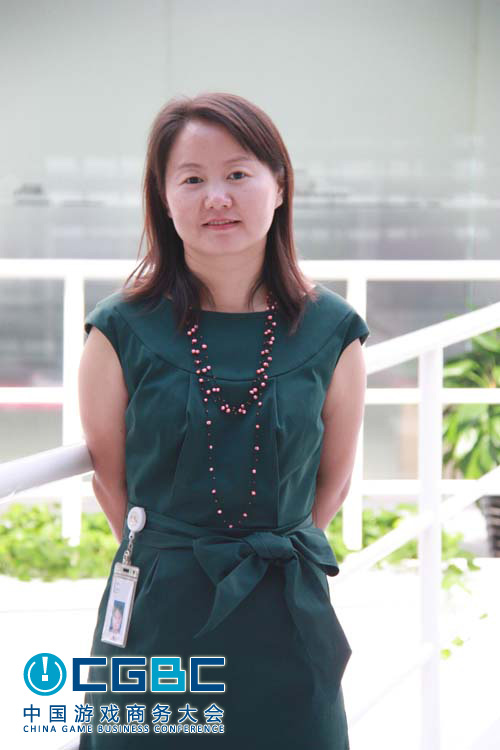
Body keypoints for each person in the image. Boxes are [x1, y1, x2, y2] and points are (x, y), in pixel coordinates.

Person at [78, 91, 370, 749]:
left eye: (238, 173)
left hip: (286, 607)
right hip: (158, 613)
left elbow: (334, 482)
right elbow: (109, 480)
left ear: (280, 186)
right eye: (192, 179)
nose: (217, 197)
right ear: (163, 197)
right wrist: (174, 556)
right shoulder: (119, 328)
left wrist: (270, 547)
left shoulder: (332, 330)